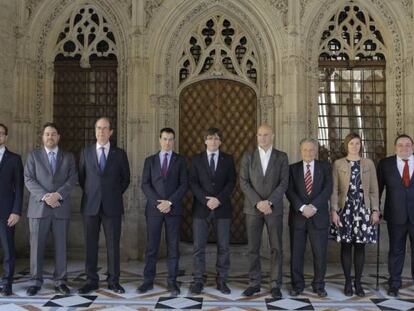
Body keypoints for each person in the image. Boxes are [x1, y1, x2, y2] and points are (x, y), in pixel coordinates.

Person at [78, 117, 130, 294]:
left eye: (105, 128)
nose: (101, 131)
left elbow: (126, 179)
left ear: (111, 132)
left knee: (113, 245)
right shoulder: (85, 152)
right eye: (98, 128)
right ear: (95, 130)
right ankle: (91, 280)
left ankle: (113, 281)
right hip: (90, 206)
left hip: (112, 206)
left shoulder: (119, 153)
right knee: (90, 245)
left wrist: (113, 194)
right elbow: (82, 178)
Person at [24, 122, 77, 296]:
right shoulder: (33, 156)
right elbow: (29, 179)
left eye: (53, 134)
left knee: (61, 247)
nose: (50, 137)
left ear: (58, 137)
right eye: (47, 134)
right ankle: (35, 281)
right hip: (39, 208)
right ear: (42, 137)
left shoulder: (68, 157)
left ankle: (60, 281)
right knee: (36, 247)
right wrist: (47, 196)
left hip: (60, 207)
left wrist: (58, 195)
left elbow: (72, 179)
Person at [239, 124, 289, 299]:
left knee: (276, 247)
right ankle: (254, 283)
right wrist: (258, 202)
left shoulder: (282, 157)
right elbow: (244, 182)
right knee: (253, 247)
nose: (263, 138)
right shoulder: (248, 157)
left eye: (266, 134)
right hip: (253, 209)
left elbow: (284, 183)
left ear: (273, 136)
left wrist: (269, 202)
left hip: (273, 209)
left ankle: (275, 284)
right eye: (260, 135)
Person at [139, 128, 188, 296]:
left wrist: (170, 202)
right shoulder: (150, 161)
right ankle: (148, 281)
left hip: (173, 210)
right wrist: (158, 203)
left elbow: (184, 184)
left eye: (171, 139)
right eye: (165, 139)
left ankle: (172, 282)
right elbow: (145, 184)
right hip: (154, 210)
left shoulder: (180, 160)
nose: (168, 142)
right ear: (159, 140)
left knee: (173, 247)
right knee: (152, 247)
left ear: (174, 141)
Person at [331, 133, 379, 297]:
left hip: (363, 210)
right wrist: (334, 211)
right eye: (351, 143)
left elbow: (374, 190)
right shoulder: (338, 164)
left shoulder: (368, 163)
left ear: (361, 145)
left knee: (360, 246)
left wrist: (375, 210)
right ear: (346, 145)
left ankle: (358, 283)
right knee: (345, 245)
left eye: (357, 143)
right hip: (345, 210)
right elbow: (334, 190)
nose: (355, 146)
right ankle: (347, 282)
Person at [189, 128, 236, 295]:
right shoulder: (196, 159)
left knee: (223, 247)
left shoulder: (228, 159)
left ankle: (222, 280)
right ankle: (198, 280)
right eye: (210, 138)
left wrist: (218, 199)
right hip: (201, 208)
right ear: (205, 141)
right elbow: (193, 182)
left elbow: (231, 182)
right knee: (198, 247)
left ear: (220, 142)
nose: (213, 141)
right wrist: (206, 200)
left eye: (216, 138)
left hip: (222, 208)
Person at [286, 138, 332, 297]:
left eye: (312, 149)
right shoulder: (292, 169)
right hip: (298, 218)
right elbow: (289, 191)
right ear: (300, 151)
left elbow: (328, 189)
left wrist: (313, 207)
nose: (308, 152)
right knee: (296, 253)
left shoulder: (325, 167)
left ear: (316, 151)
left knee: (320, 254)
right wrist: (302, 207)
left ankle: (319, 285)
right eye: (305, 150)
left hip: (318, 217)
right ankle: (297, 285)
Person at [378, 134, 414, 297]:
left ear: (412, 147)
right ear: (395, 147)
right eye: (400, 145)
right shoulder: (386, 164)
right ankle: (394, 283)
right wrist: (375, 209)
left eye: (407, 145)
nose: (404, 148)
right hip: (395, 216)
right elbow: (377, 189)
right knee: (396, 250)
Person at [0, 124, 24, 296]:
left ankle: (7, 283)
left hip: (7, 212)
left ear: (5, 137)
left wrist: (16, 211)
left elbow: (19, 188)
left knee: (8, 249)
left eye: (1, 134)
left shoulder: (14, 159)